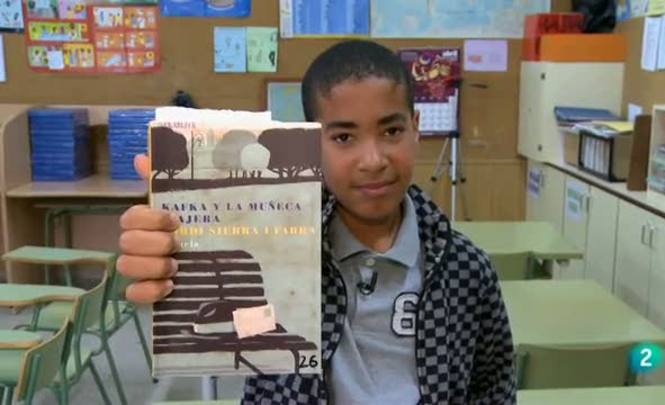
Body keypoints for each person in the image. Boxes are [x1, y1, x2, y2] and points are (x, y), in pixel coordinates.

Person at [118, 40, 516, 404]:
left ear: (416, 128)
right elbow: (228, 321)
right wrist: (177, 255)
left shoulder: (468, 270)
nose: (373, 160)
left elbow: (494, 389)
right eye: (344, 138)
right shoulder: (277, 249)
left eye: (392, 130)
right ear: (311, 143)